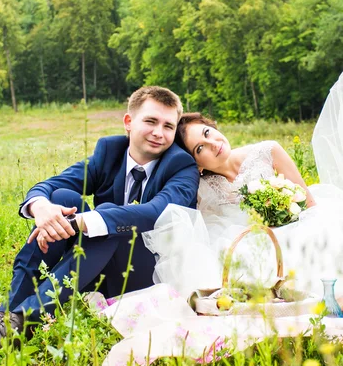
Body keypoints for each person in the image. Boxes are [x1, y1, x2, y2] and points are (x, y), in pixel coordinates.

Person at [0, 86, 200, 347]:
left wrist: (82, 221)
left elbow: (158, 212)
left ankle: (28, 320)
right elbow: (53, 184)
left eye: (168, 126)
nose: (159, 133)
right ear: (128, 122)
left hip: (150, 275)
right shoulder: (109, 153)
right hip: (100, 266)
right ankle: (6, 312)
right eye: (150, 121)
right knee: (62, 198)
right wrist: (41, 208)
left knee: (106, 218)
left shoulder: (181, 165)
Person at [143, 74, 343, 301]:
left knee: (320, 236)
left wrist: (284, 221)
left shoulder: (268, 151)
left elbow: (309, 206)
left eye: (207, 133)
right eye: (200, 149)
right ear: (196, 165)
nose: (213, 144)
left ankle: (328, 297)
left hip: (295, 228)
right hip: (248, 245)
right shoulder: (201, 186)